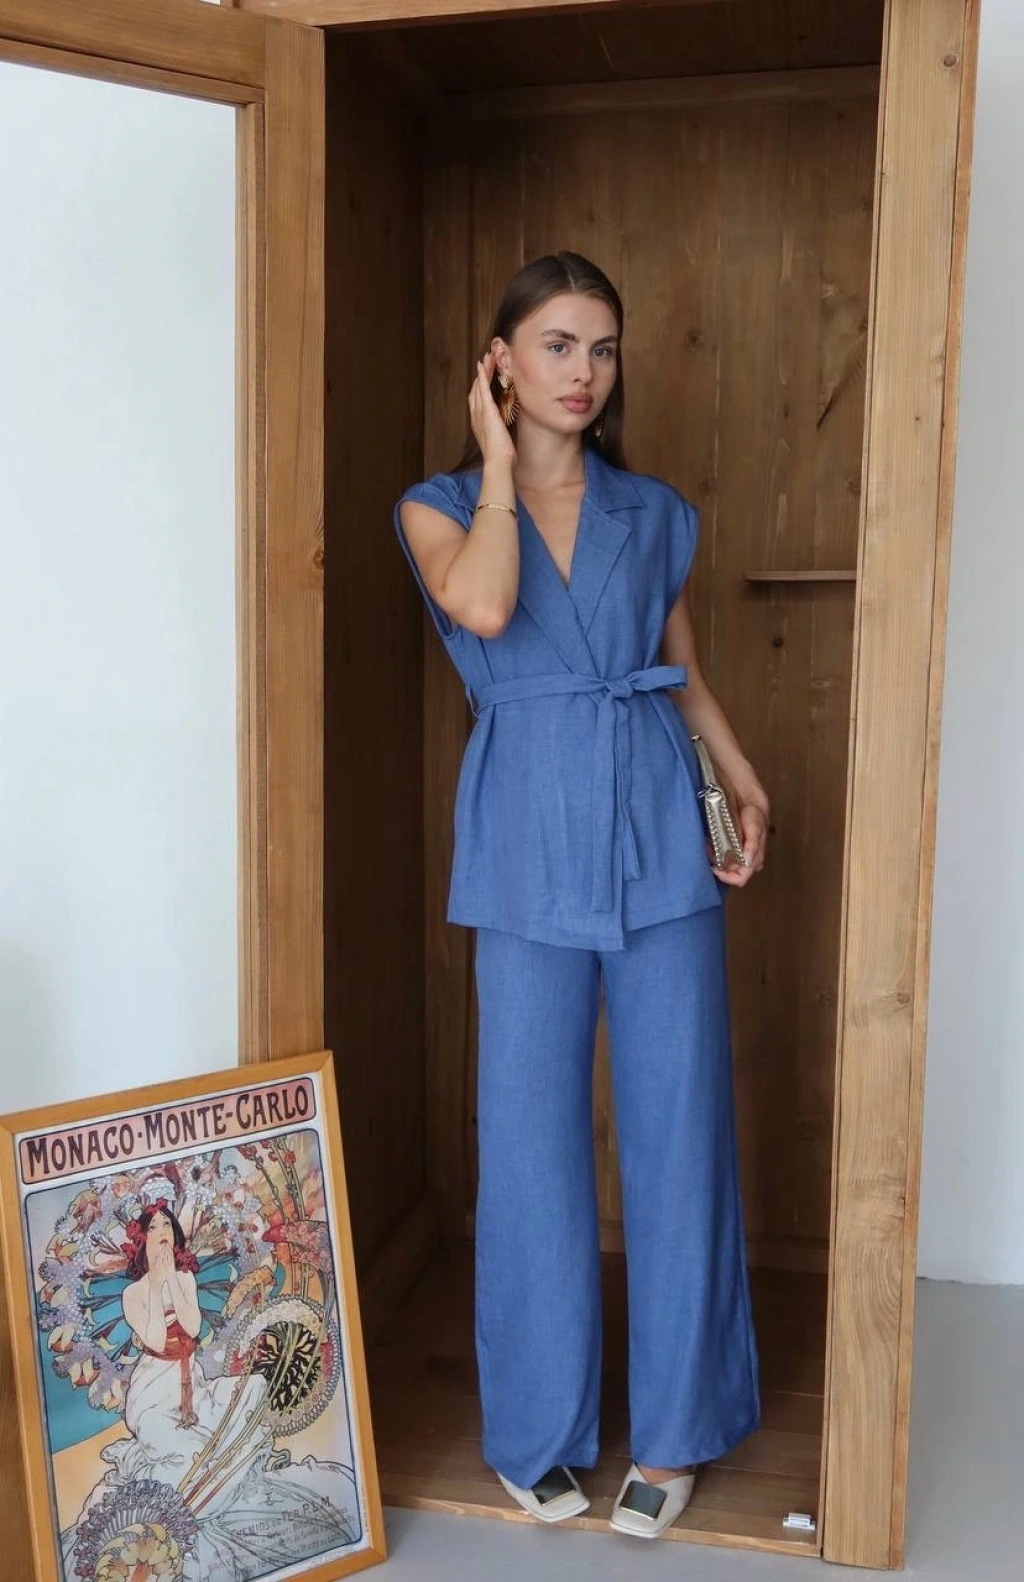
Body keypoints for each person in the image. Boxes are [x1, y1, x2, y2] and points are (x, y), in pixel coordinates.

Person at [394, 251, 769, 1540]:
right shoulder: (438, 507)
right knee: (528, 1143)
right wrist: (500, 466)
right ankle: (536, 1428)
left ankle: (675, 1430)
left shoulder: (651, 510)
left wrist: (738, 779)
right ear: (500, 361)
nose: (584, 373)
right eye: (556, 345)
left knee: (678, 1128)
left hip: (658, 826)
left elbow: (684, 673)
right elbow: (488, 606)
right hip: (521, 842)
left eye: (602, 349)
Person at [61, 1203, 359, 1582]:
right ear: (142, 1239)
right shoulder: (133, 1293)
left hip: (193, 1384)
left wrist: (173, 1280)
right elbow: (155, 1338)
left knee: (253, 1387)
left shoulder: (186, 1279)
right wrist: (156, 1281)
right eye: (154, 1227)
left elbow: (192, 1326)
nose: (162, 1232)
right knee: (184, 1450)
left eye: (167, 1225)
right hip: (154, 1392)